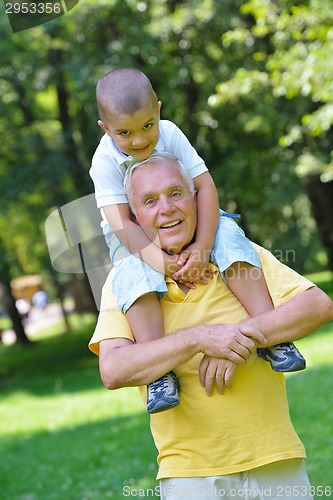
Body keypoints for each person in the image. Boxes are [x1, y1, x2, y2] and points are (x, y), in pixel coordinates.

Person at [89, 154, 333, 499]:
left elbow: (317, 306)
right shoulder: (126, 282)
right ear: (135, 219)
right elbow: (113, 369)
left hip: (275, 458)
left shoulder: (239, 255)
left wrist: (236, 341)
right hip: (190, 475)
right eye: (149, 201)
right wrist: (200, 339)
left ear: (195, 200)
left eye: (176, 193)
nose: (166, 209)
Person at [89, 68, 305, 414]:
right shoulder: (104, 161)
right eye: (124, 133)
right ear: (105, 129)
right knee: (133, 275)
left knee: (229, 234)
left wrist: (203, 248)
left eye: (147, 126)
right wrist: (162, 263)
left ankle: (272, 334)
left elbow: (204, 187)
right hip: (130, 235)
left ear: (158, 111)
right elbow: (121, 222)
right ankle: (159, 371)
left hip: (187, 217)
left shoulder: (171, 133)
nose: (140, 140)